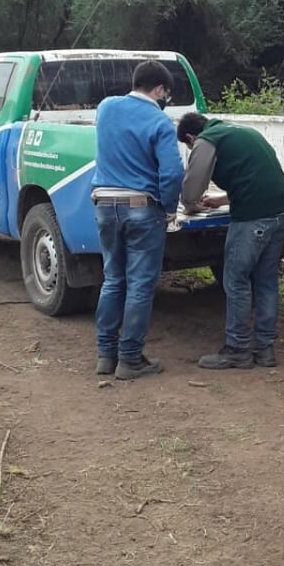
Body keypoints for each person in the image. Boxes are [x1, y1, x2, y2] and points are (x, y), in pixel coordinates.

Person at [91, 60, 184, 381]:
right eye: (165, 96)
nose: (164, 102)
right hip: (142, 207)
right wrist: (170, 207)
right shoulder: (160, 122)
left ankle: (106, 354)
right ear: (159, 89)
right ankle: (130, 359)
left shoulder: (106, 108)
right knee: (140, 285)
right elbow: (172, 172)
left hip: (104, 203)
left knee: (113, 279)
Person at [178, 113, 284, 369]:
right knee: (266, 281)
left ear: (190, 137)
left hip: (253, 218)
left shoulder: (206, 140)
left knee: (236, 280)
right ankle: (265, 350)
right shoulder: (241, 132)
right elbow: (255, 177)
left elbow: (190, 192)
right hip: (282, 214)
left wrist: (191, 204)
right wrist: (221, 200)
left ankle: (237, 349)